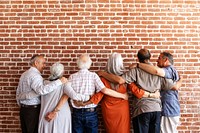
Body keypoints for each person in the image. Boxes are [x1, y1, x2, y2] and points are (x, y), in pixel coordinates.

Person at [98, 49, 182, 133]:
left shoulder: (135, 71)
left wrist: (103, 73)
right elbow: (173, 86)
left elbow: (120, 80)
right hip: (156, 109)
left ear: (138, 58)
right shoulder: (158, 72)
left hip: (142, 109)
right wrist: (180, 80)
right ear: (150, 57)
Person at [74, 53, 160, 133]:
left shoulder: (103, 78)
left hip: (108, 109)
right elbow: (136, 91)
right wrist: (152, 95)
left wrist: (84, 103)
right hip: (122, 110)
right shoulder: (125, 77)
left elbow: (98, 96)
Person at [52, 54, 128, 133]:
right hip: (91, 113)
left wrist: (56, 110)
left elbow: (66, 94)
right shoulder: (94, 76)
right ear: (89, 64)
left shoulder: (72, 77)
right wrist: (122, 95)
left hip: (76, 112)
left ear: (78, 64)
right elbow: (105, 91)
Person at [16, 55, 67, 133]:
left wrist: (23, 103)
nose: (44, 66)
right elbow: (42, 90)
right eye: (43, 63)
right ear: (36, 63)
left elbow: (18, 92)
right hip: (33, 110)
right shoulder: (35, 76)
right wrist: (59, 82)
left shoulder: (24, 74)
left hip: (24, 110)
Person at [136, 52, 180, 133]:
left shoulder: (168, 70)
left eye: (159, 58)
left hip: (168, 109)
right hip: (172, 108)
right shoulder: (173, 70)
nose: (157, 61)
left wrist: (138, 65)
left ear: (166, 60)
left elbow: (156, 71)